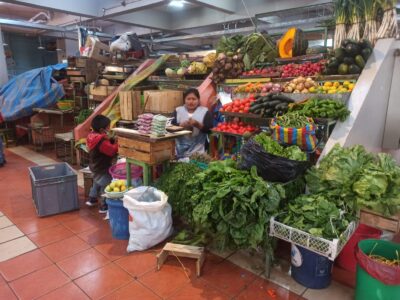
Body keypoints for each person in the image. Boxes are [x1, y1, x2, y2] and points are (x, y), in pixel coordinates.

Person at [86, 115, 118, 213]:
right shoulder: (101, 141)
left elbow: (105, 143)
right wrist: (118, 143)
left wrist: (111, 139)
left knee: (97, 181)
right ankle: (104, 206)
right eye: (108, 127)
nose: (109, 129)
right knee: (106, 185)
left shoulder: (92, 136)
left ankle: (92, 199)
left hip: (95, 166)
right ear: (101, 129)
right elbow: (111, 151)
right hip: (102, 167)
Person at [172, 88, 213, 159]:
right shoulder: (178, 110)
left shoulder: (205, 112)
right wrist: (180, 125)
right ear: (184, 100)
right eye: (188, 99)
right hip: (179, 150)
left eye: (194, 99)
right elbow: (170, 128)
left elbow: (209, 130)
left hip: (198, 151)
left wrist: (197, 124)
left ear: (198, 100)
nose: (191, 102)